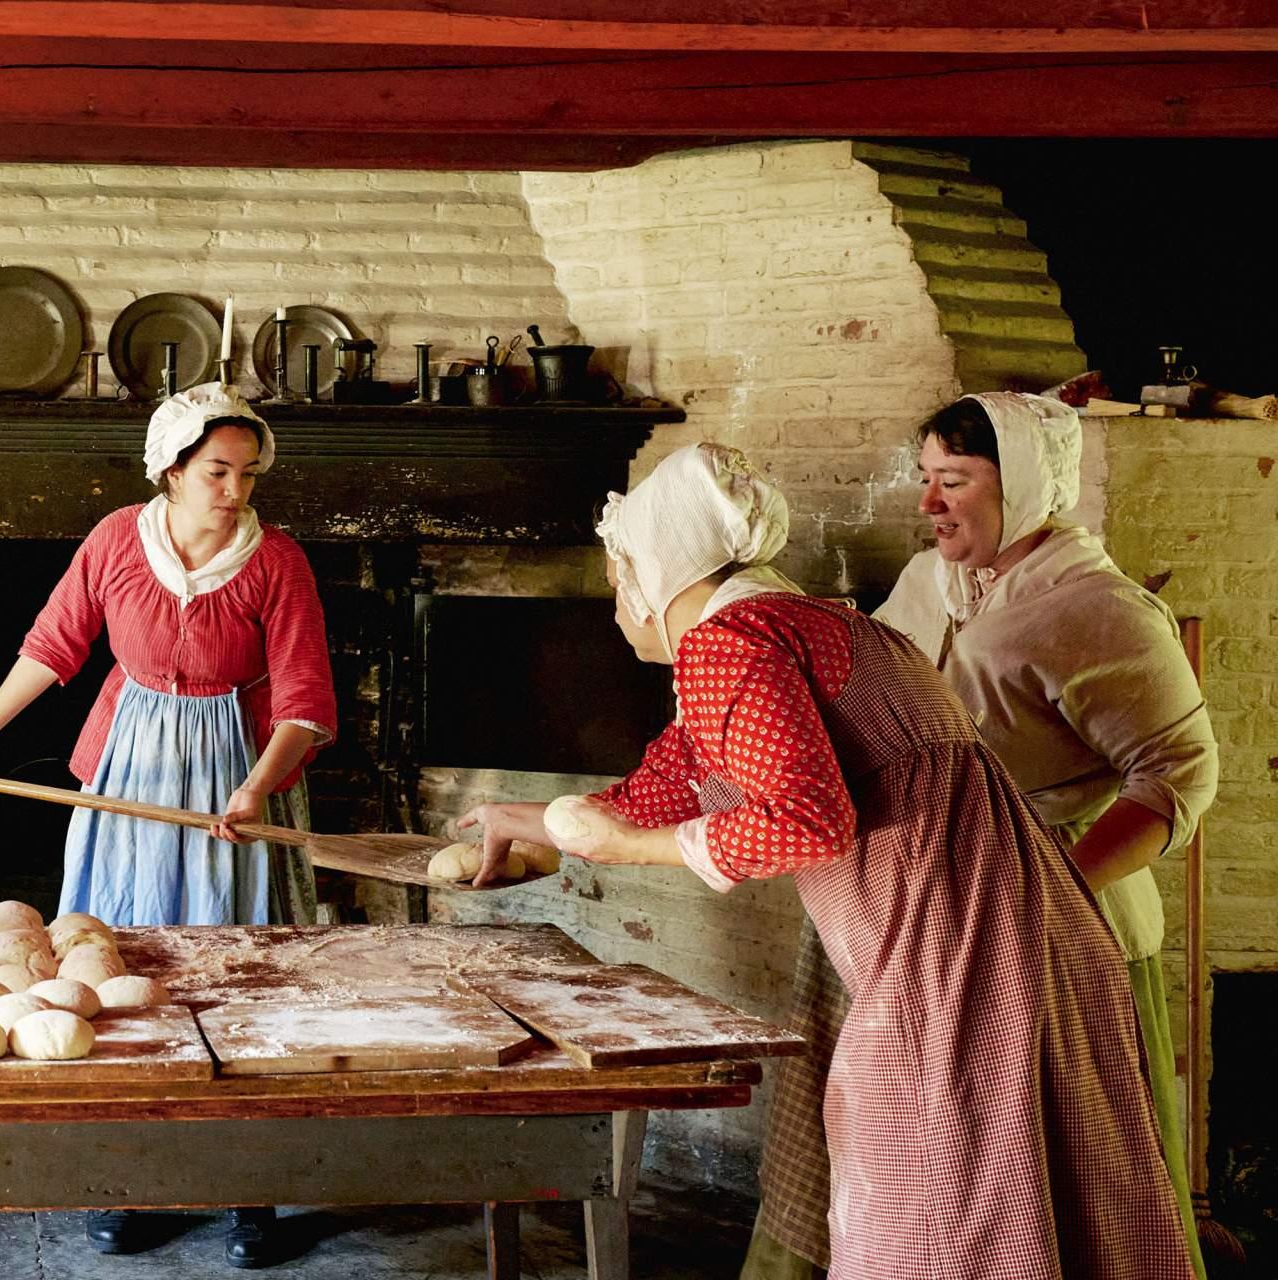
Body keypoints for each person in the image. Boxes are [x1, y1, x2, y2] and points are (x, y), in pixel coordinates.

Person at [458, 442, 1193, 1279]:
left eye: (619, 574)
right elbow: (663, 786)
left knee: (931, 1224)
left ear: (657, 573)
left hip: (954, 967)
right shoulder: (804, 622)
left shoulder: (728, 643)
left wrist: (630, 849)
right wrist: (526, 824)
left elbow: (807, 824)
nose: (616, 600)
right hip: (1032, 940)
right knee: (1056, 1213)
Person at [741, 392, 1218, 1280]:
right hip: (912, 925)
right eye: (926, 478)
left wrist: (1050, 894)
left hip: (1057, 936)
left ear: (1024, 487)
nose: (929, 503)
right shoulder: (926, 585)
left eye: (954, 481)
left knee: (1057, 1191)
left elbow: (1178, 776)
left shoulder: (1099, 609)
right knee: (891, 1169)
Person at [0, 381, 337, 1268]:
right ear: (171, 470)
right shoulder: (116, 539)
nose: (235, 490)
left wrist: (255, 789)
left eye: (248, 474)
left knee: (232, 976)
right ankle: (127, 1178)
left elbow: (304, 696)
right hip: (128, 773)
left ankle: (246, 1190)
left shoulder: (277, 561)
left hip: (234, 780)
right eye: (217, 471)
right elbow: (51, 648)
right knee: (116, 965)